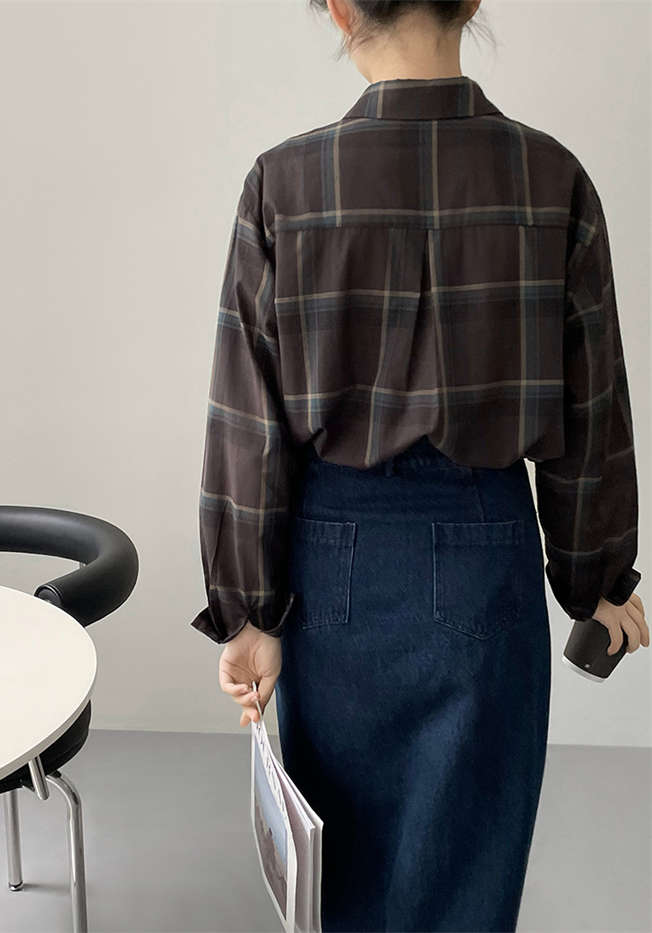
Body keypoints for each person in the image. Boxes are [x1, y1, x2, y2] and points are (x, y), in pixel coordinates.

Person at [190, 1, 649, 930]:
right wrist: (596, 581)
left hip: (335, 563)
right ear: (472, 0)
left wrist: (251, 611)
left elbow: (249, 424)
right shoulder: (552, 178)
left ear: (338, 8)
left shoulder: (284, 185)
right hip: (487, 552)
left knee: (342, 873)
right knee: (470, 871)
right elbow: (590, 411)